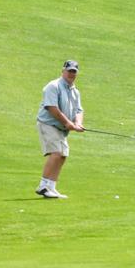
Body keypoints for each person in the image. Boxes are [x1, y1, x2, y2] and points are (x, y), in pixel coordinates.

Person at [35, 59, 84, 199]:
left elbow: (79, 110)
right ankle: (43, 186)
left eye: (74, 72)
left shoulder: (75, 91)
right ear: (63, 71)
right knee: (56, 153)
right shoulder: (53, 86)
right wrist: (68, 123)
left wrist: (78, 123)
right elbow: (52, 108)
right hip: (48, 124)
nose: (71, 74)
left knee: (63, 155)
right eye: (69, 71)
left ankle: (51, 187)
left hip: (61, 128)